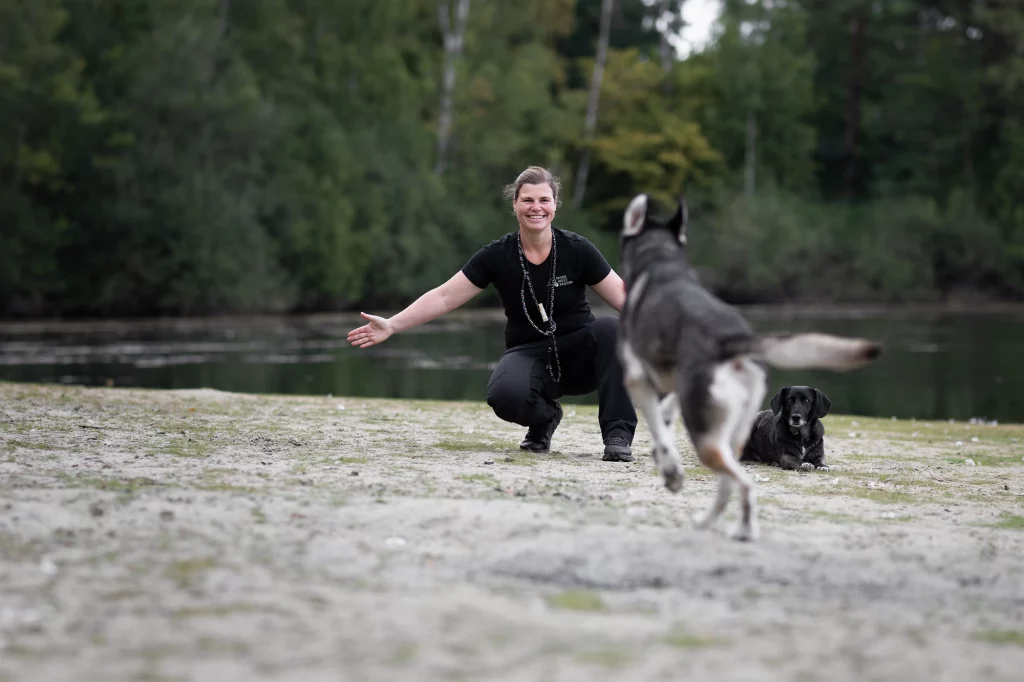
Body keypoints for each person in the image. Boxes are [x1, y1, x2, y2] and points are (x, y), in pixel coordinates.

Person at [346, 166, 637, 461]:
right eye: (527, 200)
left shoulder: (578, 249)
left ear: (555, 205)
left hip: (581, 355)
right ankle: (544, 419)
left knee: (613, 330)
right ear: (515, 204)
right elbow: (445, 296)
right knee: (504, 396)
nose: (536, 208)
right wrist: (392, 325)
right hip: (529, 352)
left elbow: (624, 297)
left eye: (544, 200)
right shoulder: (497, 255)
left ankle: (618, 435)